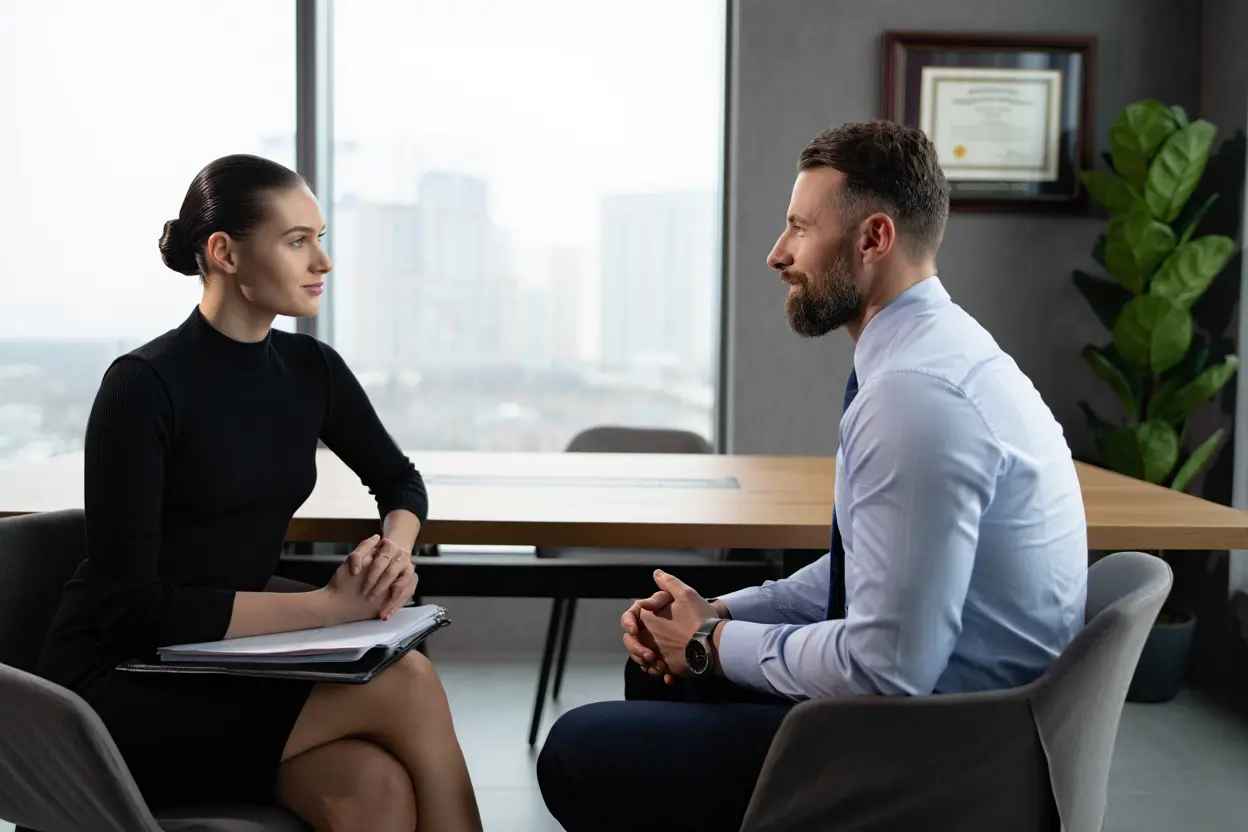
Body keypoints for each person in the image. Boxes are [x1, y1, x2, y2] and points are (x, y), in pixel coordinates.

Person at [536, 120, 1089, 831]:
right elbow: (867, 567)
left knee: (576, 753)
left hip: (943, 751)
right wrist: (721, 614)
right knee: (660, 673)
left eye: (800, 228)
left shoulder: (914, 396)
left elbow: (887, 667)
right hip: (952, 713)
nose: (778, 253)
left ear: (873, 239)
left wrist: (709, 644)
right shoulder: (936, 354)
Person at [36, 155, 483, 832]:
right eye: (297, 241)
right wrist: (328, 608)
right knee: (410, 684)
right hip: (120, 684)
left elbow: (400, 481)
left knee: (375, 791)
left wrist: (395, 551)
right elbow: (135, 611)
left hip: (228, 662)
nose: (323, 262)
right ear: (224, 253)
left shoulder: (310, 369)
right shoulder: (142, 386)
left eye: (320, 238)